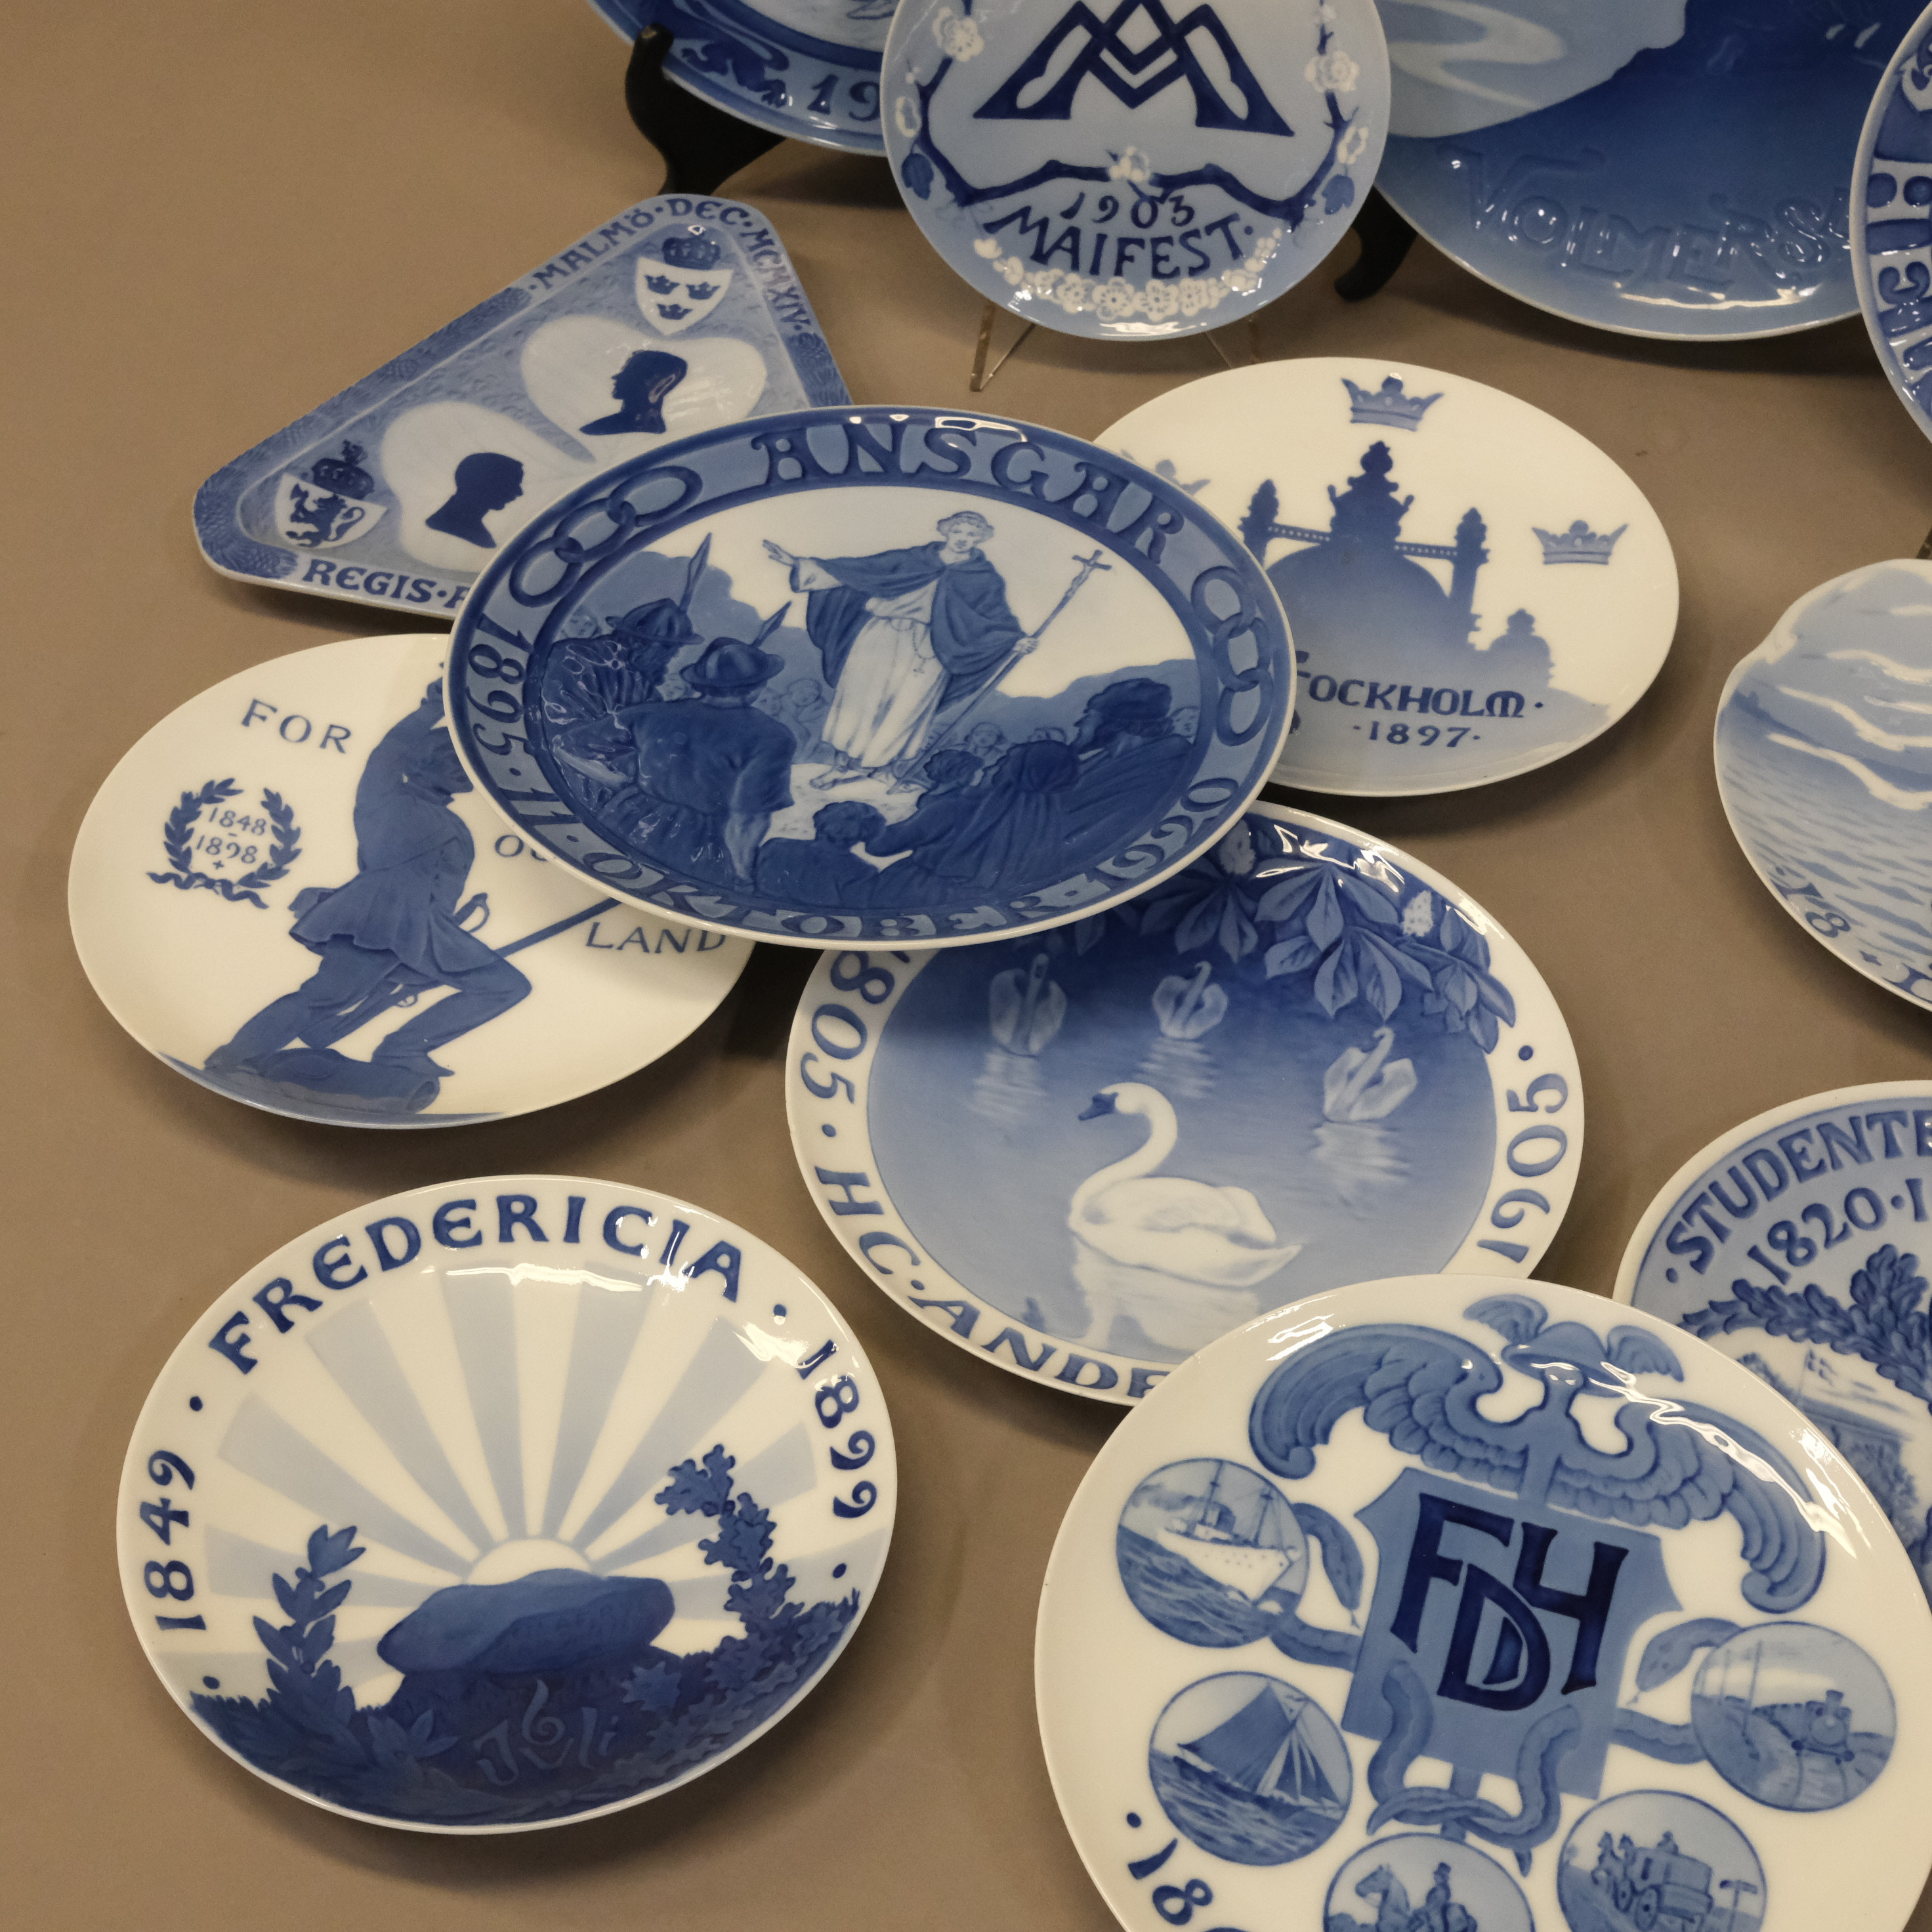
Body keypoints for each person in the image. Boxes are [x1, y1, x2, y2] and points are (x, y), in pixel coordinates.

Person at [206, 684, 530, 1087]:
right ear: (423, 761)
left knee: (503, 986)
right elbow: (388, 751)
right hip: (374, 917)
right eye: (450, 760)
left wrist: (433, 945)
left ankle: (403, 1049)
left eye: (463, 765)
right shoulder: (384, 797)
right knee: (328, 997)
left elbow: (446, 889)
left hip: (427, 928)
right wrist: (431, 708)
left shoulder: (458, 828)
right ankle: (234, 1058)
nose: (459, 771)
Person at [763, 510, 1025, 789]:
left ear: (981, 539)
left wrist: (1015, 640)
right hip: (881, 636)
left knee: (907, 709)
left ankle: (884, 770)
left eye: (972, 534)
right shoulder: (912, 559)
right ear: (946, 531)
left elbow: (995, 617)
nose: (963, 538)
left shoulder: (985, 578)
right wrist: (798, 564)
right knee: (860, 702)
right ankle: (840, 766)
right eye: (958, 531)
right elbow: (859, 571)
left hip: (933, 647)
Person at [562, 636, 795, 886]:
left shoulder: (651, 714)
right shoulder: (771, 737)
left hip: (623, 820)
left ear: (701, 682)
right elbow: (748, 819)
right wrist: (743, 875)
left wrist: (621, 785)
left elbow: (566, 747)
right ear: (759, 687)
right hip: (698, 844)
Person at [1061, 678, 1191, 853]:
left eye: (1088, 715)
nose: (1079, 723)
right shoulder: (1102, 761)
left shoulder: (1166, 766)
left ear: (1111, 723)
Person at [863, 750, 983, 906]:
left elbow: (885, 844)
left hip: (931, 878)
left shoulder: (948, 807)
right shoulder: (960, 802)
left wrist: (871, 827)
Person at [754, 801, 889, 904]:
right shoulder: (863, 872)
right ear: (864, 836)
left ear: (821, 821)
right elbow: (855, 913)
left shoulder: (775, 846)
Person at [425, 450, 525, 548]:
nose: (520, 492)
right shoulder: (476, 538)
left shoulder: (478, 535)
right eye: (510, 484)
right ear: (484, 483)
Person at [580, 348, 688, 436]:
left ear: (657, 386)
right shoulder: (603, 426)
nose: (616, 377)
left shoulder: (600, 428)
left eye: (628, 373)